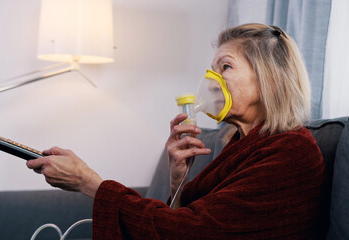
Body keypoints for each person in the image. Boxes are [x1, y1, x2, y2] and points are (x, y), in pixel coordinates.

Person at [27, 23, 324, 239]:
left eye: (225, 67)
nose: (210, 79)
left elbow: (192, 233)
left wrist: (88, 182)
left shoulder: (291, 152)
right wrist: (177, 179)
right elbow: (183, 221)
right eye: (212, 68)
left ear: (269, 81)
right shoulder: (239, 144)